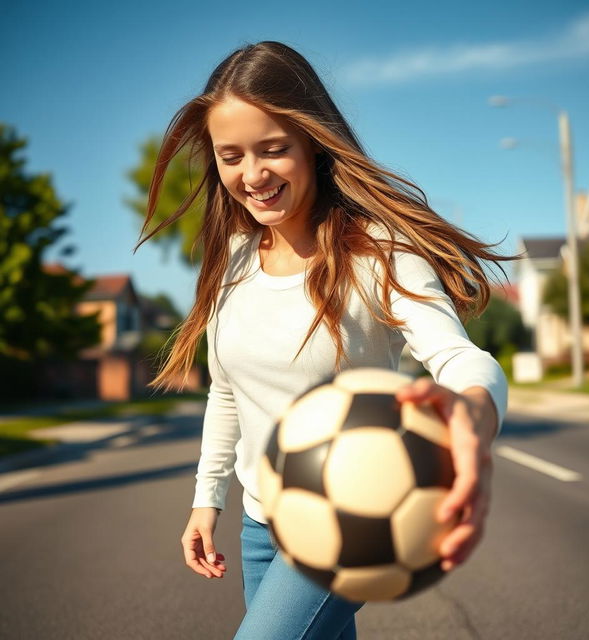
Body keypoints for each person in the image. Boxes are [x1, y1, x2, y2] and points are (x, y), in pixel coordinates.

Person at [135, 40, 517, 640]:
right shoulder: (233, 260)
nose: (252, 175)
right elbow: (227, 391)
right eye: (230, 156)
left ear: (313, 140)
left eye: (274, 149)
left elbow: (461, 358)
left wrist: (471, 415)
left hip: (354, 516)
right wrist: (207, 499)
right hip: (261, 523)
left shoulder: (377, 251)